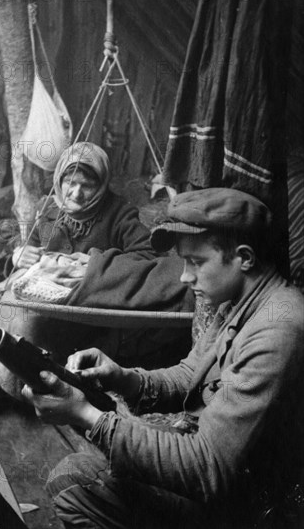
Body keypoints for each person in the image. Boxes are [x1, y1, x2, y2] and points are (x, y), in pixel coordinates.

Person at [22, 188, 304, 529]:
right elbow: (190, 374)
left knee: (72, 481)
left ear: (244, 257)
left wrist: (84, 414)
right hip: (219, 467)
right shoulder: (239, 299)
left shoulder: (278, 329)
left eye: (196, 262)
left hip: (248, 506)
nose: (185, 276)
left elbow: (206, 468)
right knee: (101, 449)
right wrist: (123, 377)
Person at [0, 142, 188, 431]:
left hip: (85, 307)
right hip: (42, 290)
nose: (76, 193)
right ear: (60, 180)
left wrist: (90, 263)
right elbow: (31, 247)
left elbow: (149, 260)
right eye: (70, 182)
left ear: (101, 183)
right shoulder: (50, 206)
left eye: (87, 185)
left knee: (30, 326)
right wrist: (19, 254)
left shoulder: (120, 214)